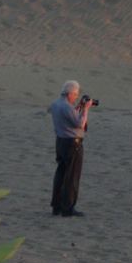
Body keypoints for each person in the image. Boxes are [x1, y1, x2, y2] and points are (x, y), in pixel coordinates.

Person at [49, 80, 92, 217]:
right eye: (75, 95)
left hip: (60, 141)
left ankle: (56, 206)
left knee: (61, 173)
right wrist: (85, 109)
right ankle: (67, 208)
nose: (76, 98)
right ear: (70, 93)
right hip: (72, 144)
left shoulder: (55, 104)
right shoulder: (67, 107)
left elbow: (67, 119)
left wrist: (77, 109)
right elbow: (79, 123)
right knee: (72, 176)